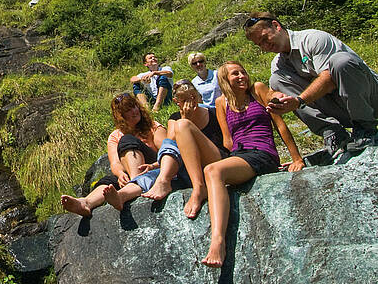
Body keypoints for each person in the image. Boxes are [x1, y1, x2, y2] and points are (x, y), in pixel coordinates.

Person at [201, 61, 305, 268]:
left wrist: (297, 159)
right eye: (234, 74)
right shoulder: (222, 103)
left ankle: (218, 241)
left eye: (242, 72)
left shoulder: (257, 90)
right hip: (242, 154)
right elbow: (227, 141)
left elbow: (280, 125)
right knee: (214, 172)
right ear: (224, 80)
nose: (241, 76)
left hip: (262, 152)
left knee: (212, 170)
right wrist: (234, 165)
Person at [243, 12, 378, 157]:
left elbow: (329, 78)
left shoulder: (313, 38)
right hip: (341, 107)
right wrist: (277, 97)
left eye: (265, 38)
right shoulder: (278, 64)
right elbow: (273, 89)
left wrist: (299, 101)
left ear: (276, 26)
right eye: (259, 44)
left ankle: (365, 127)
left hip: (370, 100)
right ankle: (333, 133)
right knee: (276, 80)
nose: (265, 46)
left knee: (341, 61)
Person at [60, 93, 184, 216]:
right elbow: (115, 163)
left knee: (127, 140)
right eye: (128, 110)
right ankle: (86, 203)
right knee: (108, 181)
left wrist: (152, 166)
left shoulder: (153, 127)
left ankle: (132, 186)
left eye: (134, 106)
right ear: (121, 116)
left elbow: (168, 150)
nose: (134, 111)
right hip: (130, 172)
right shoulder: (115, 136)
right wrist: (120, 174)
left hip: (154, 167)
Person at [164, 80, 229, 219]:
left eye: (193, 97)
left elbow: (227, 141)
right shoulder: (175, 119)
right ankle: (196, 185)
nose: (191, 102)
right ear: (177, 101)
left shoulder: (213, 112)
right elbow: (170, 145)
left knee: (183, 125)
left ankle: (199, 188)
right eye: (185, 99)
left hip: (216, 158)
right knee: (182, 125)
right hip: (190, 166)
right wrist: (186, 118)